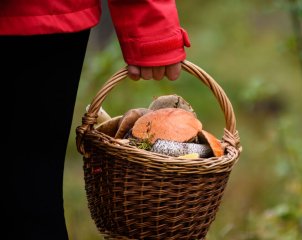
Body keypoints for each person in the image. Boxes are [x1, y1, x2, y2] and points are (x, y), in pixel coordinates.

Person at [1, 0, 190, 239]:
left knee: (28, 189)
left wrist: (151, 29)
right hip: (43, 15)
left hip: (34, 19)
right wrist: (150, 26)